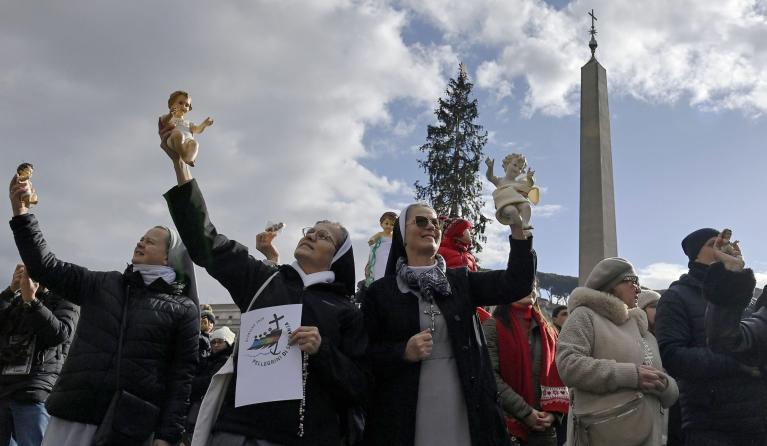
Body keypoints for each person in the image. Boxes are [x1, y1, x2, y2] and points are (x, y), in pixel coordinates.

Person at [160, 143, 368, 446]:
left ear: (337, 257)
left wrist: (322, 350)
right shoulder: (263, 280)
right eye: (310, 230)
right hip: (235, 431)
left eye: (324, 236)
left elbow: (361, 385)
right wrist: (181, 165)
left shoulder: (347, 311)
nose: (311, 235)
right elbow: (206, 242)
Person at [8, 175, 199, 446]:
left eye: (151, 241)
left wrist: (168, 435)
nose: (141, 242)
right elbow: (45, 266)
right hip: (74, 415)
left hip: (130, 427)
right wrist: (21, 212)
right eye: (141, 238)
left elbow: (181, 378)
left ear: (170, 257)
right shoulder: (104, 283)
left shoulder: (184, 310)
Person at [362, 202, 536, 446]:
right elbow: (363, 356)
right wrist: (402, 352)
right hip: (403, 416)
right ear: (403, 235)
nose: (431, 227)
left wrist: (519, 228)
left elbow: (517, 283)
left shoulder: (461, 282)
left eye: (436, 223)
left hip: (466, 408)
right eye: (421, 221)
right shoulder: (379, 293)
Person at [655, 229, 767, 446]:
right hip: (710, 423)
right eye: (713, 243)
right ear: (696, 254)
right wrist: (738, 360)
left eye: (726, 241)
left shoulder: (748, 300)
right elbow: (673, 357)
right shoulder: (676, 297)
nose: (724, 246)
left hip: (757, 419)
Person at [556, 257, 678, 446]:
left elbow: (663, 378)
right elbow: (568, 365)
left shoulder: (642, 329)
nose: (638, 288)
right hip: (603, 435)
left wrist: (666, 385)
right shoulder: (584, 316)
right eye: (633, 281)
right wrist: (630, 375)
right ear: (612, 284)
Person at [0, 265, 79, 446]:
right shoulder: (15, 302)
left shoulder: (65, 299)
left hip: (33, 390)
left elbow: (59, 334)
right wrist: (10, 291)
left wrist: (32, 301)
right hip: (4, 390)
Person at [483, 286, 568, 446]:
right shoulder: (492, 326)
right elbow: (489, 376)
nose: (530, 287)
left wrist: (554, 414)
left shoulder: (550, 331)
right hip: (507, 428)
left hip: (545, 430)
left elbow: (560, 374)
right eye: (523, 282)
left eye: (534, 285)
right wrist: (526, 413)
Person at [184, 326, 237, 446]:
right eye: (213, 342)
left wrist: (191, 382)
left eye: (220, 342)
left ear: (228, 343)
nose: (216, 345)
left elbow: (209, 382)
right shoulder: (211, 360)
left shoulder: (225, 360)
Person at [159, 90, 214, 166]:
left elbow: (197, 130)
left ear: (189, 108)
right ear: (172, 104)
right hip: (173, 140)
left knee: (195, 143)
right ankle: (184, 156)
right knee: (178, 135)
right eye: (180, 103)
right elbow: (164, 121)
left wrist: (204, 124)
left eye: (187, 105)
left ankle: (189, 159)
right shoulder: (170, 118)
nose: (183, 106)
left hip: (186, 143)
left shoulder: (188, 122)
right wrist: (170, 114)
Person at [364, 212, 397, 287]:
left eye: (392, 224)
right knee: (379, 268)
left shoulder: (394, 236)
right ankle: (378, 281)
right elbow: (373, 238)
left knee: (389, 267)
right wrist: (372, 240)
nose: (389, 226)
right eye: (386, 223)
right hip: (380, 254)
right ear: (381, 224)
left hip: (390, 254)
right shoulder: (380, 234)